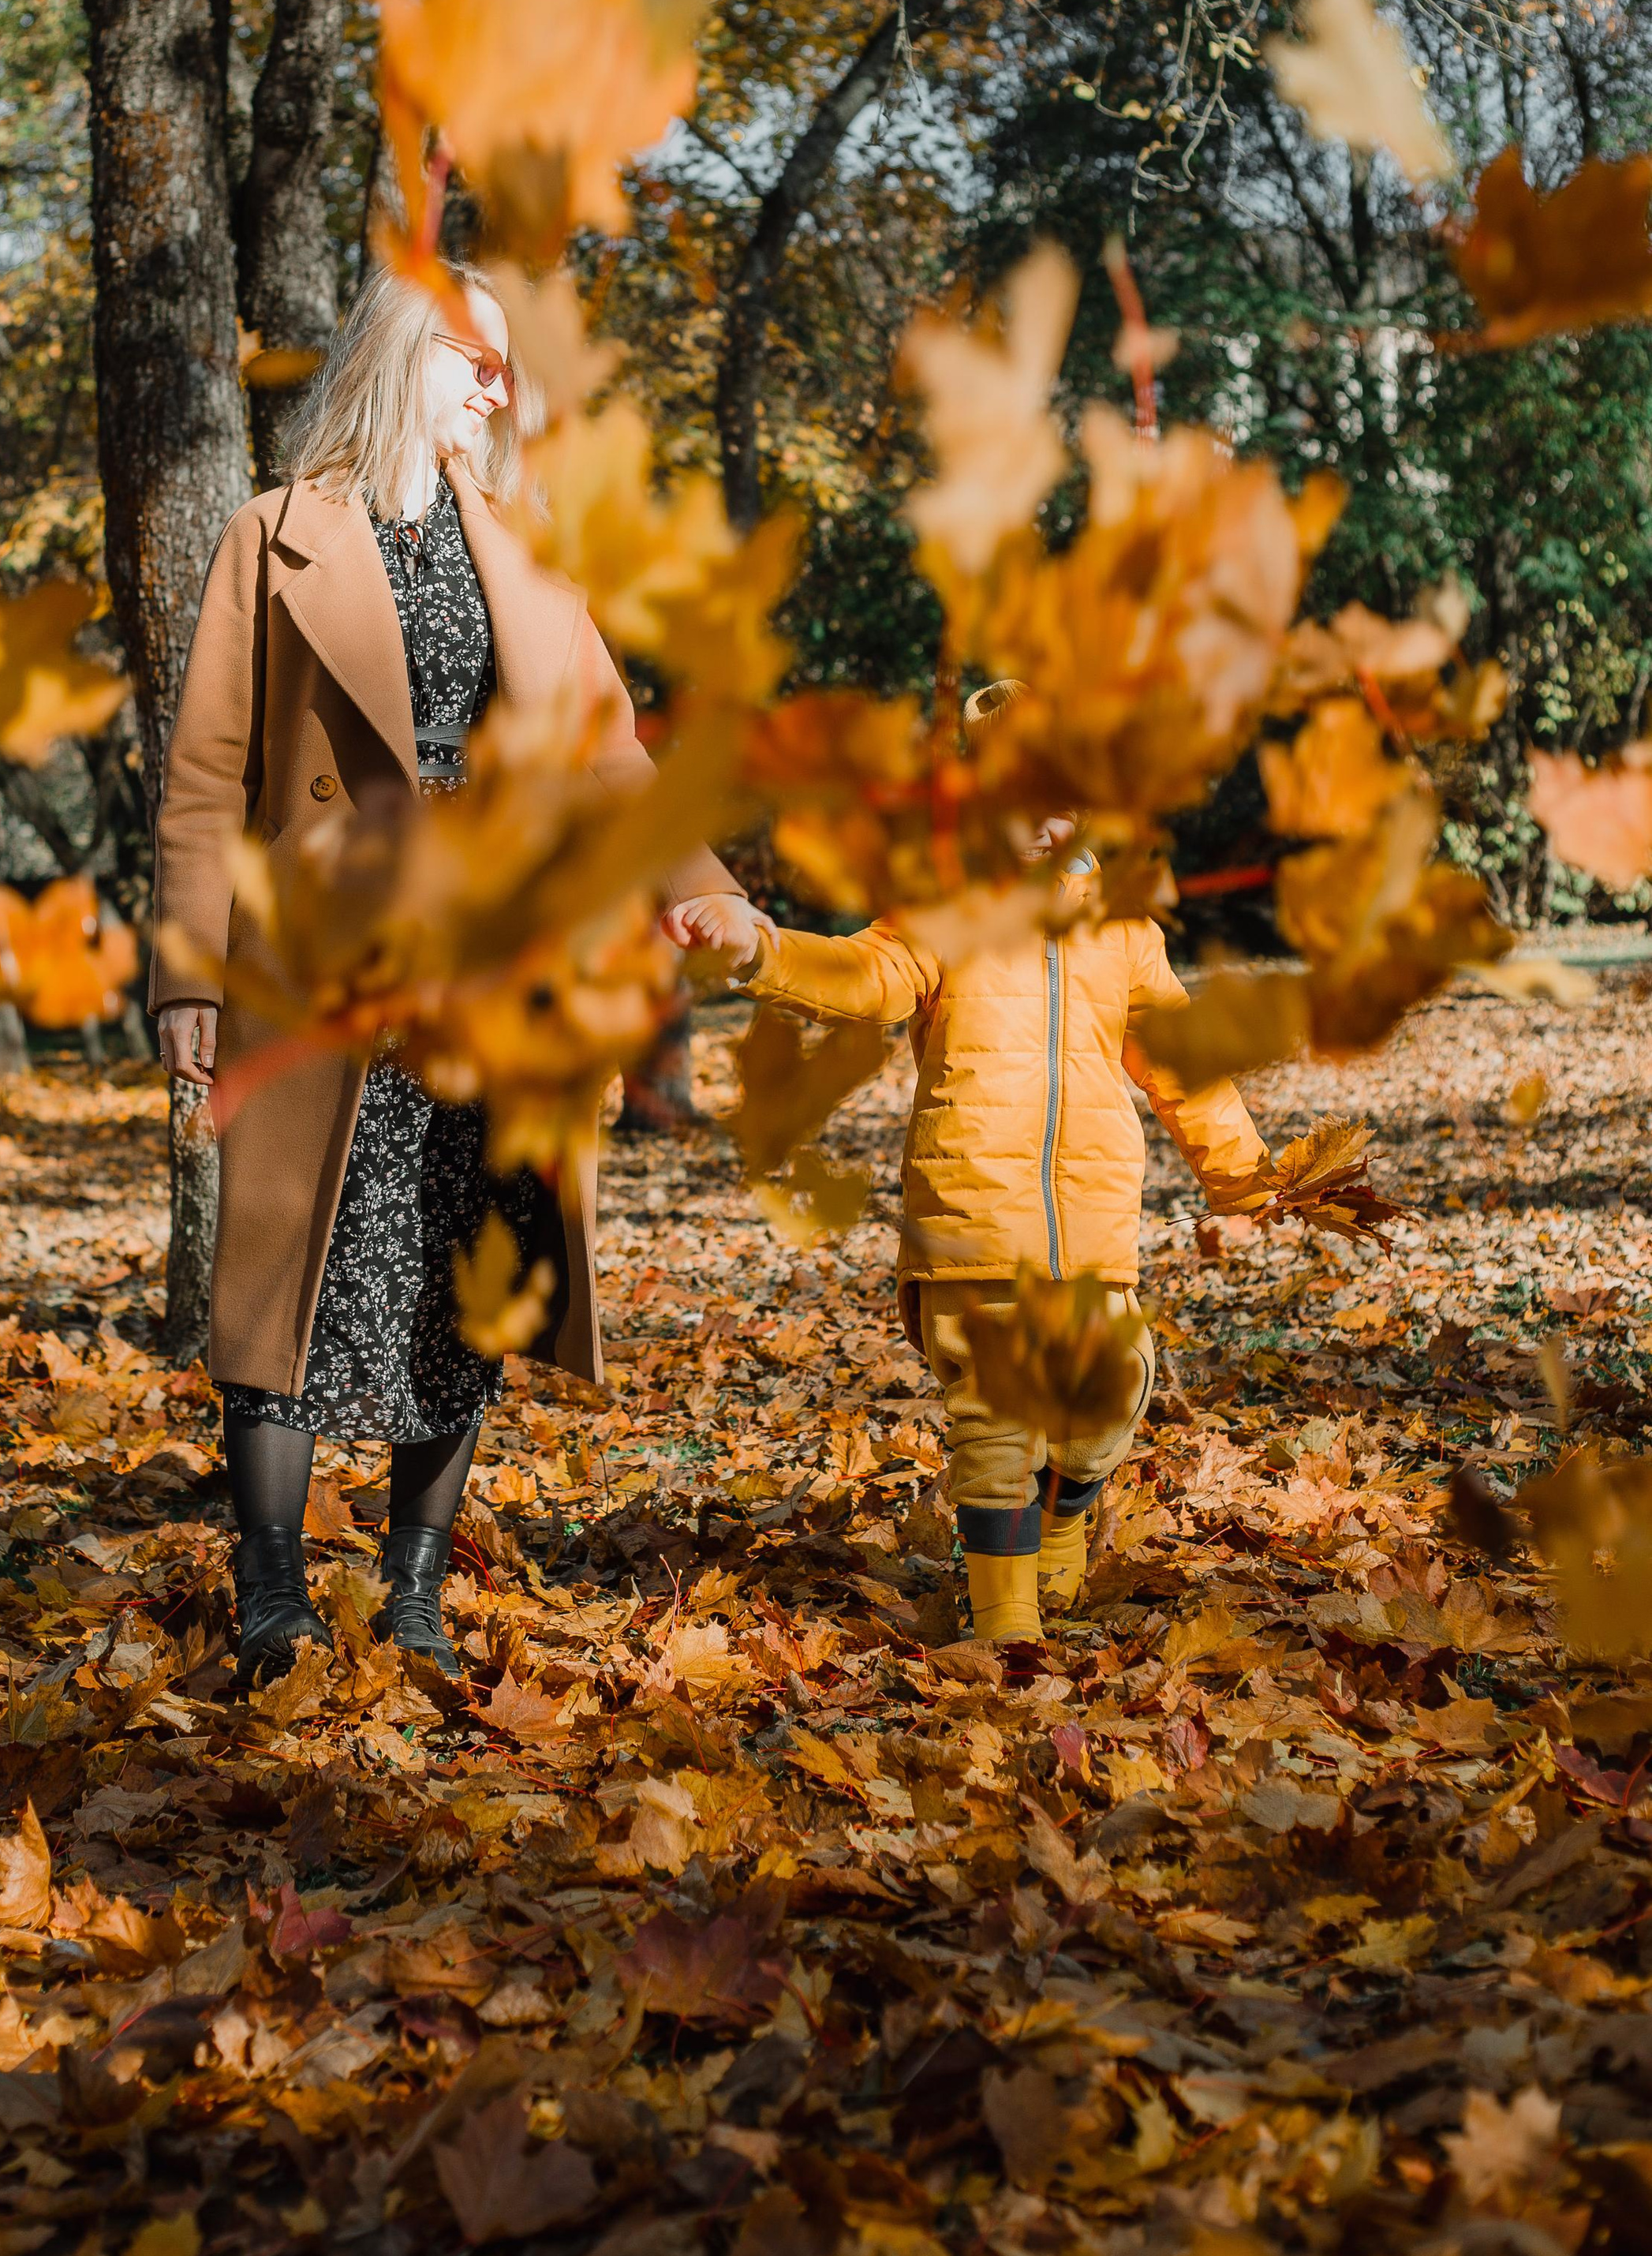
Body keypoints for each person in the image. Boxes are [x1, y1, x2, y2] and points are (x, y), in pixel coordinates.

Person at [152, 267, 739, 1686]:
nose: (495, 384)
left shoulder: (529, 557)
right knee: (293, 1266)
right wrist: (188, 972)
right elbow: (206, 774)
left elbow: (611, 754)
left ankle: (413, 1597)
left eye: (506, 366)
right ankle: (275, 1601)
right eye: (471, 357)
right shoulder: (271, 536)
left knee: (462, 1262)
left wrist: (701, 890)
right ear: (402, 355)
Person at [664, 707, 1269, 1648]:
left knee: (1101, 1404)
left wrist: (1244, 1186)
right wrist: (760, 948)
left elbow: (1185, 1070)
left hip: (1093, 1225)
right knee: (995, 1428)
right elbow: (865, 976)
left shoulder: (1123, 933)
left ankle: (1064, 1514)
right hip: (969, 1216)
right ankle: (1008, 1629)